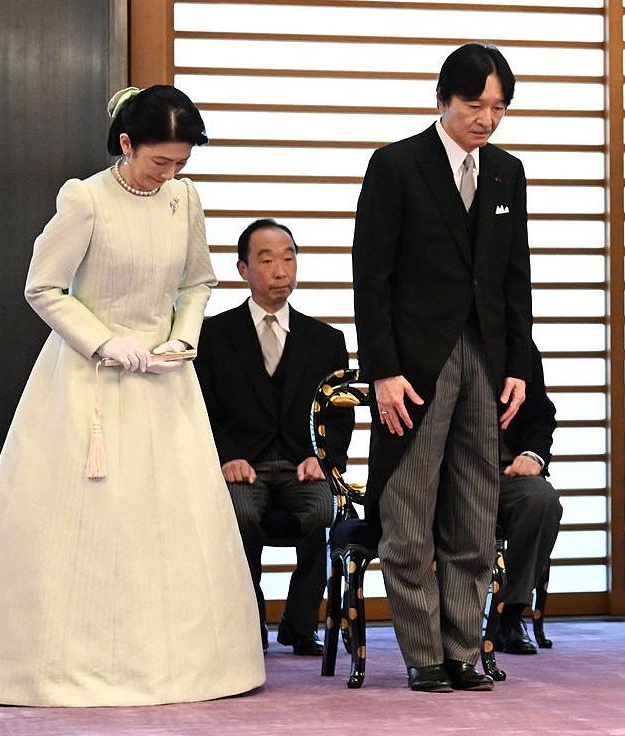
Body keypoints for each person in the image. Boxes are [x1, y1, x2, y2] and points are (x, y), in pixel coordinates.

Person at [0, 85, 265, 707]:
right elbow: (43, 286)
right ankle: (58, 665)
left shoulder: (185, 200)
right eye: (159, 161)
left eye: (181, 163)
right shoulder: (85, 198)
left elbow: (198, 282)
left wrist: (182, 338)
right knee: (90, 518)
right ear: (126, 144)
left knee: (172, 519)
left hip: (165, 379)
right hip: (88, 379)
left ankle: (184, 664)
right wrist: (104, 341)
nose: (170, 174)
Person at [352, 43, 533, 692]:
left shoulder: (506, 172)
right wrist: (382, 369)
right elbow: (370, 275)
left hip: (485, 358)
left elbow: (515, 278)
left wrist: (519, 365)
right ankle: (422, 653)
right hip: (414, 366)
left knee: (474, 514)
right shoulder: (396, 165)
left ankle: (462, 649)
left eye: (499, 107)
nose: (487, 118)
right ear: (442, 99)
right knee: (408, 512)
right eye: (474, 104)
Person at [194, 219, 353, 655]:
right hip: (243, 464)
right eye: (266, 261)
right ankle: (248, 622)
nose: (281, 270)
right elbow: (201, 408)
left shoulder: (326, 339)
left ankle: (301, 624)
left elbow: (339, 414)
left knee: (322, 512)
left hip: (304, 463)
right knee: (240, 515)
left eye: (288, 258)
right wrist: (226, 456)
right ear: (243, 269)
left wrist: (324, 457)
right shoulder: (213, 335)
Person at [496, 340, 562, 654]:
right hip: (447, 470)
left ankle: (509, 615)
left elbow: (540, 415)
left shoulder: (518, 346)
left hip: (505, 469)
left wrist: (533, 454)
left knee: (541, 499)